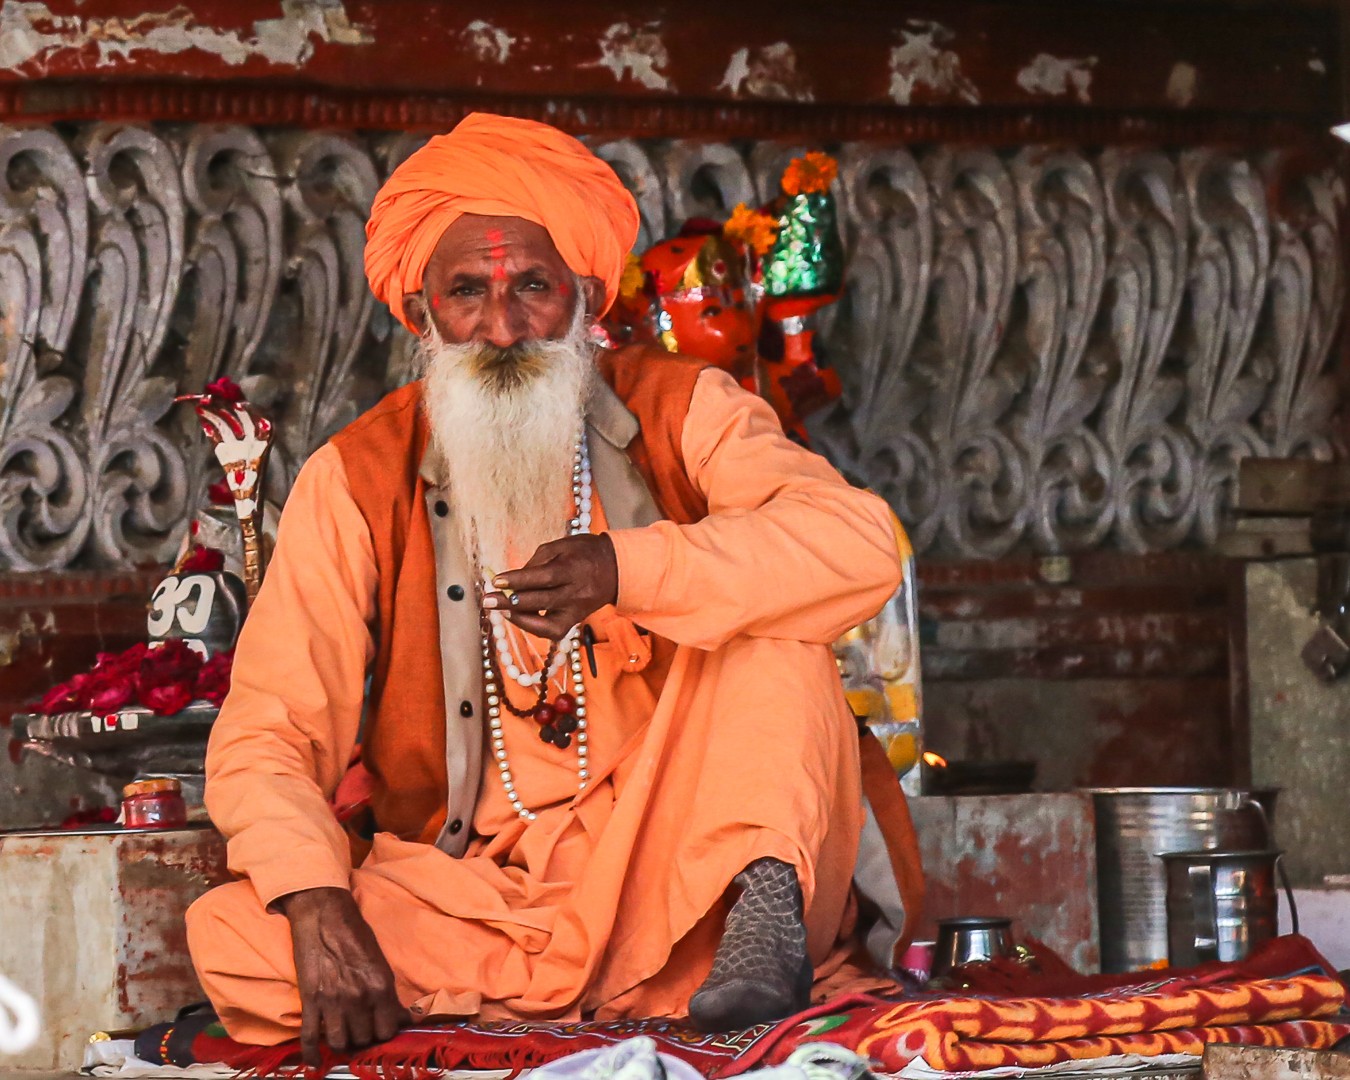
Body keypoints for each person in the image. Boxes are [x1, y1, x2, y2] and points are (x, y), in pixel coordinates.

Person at [185, 113, 923, 1067]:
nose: (502, 327)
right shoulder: (357, 477)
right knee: (238, 938)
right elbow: (270, 728)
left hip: (693, 881)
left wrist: (631, 569)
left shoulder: (685, 408)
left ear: (585, 299)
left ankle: (740, 933)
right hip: (482, 901)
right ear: (422, 315)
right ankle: (611, 1001)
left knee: (775, 623)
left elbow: (860, 545)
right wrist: (316, 900)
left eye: (532, 287)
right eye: (467, 293)